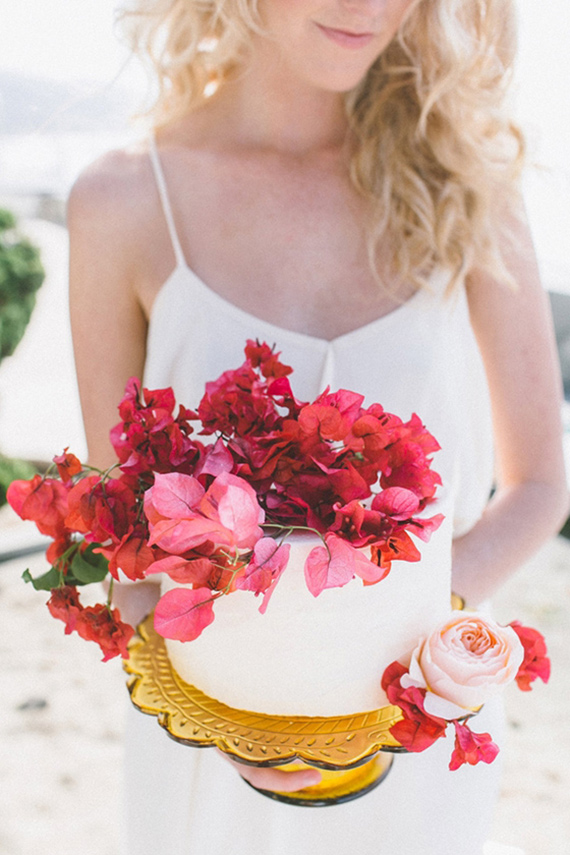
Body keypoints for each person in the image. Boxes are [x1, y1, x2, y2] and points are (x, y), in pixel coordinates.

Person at [67, 1, 568, 852]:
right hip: (208, 760)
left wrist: (401, 651)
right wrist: (237, 705)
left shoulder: (468, 181)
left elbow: (540, 484)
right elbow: (121, 525)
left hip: (416, 743)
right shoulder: (122, 199)